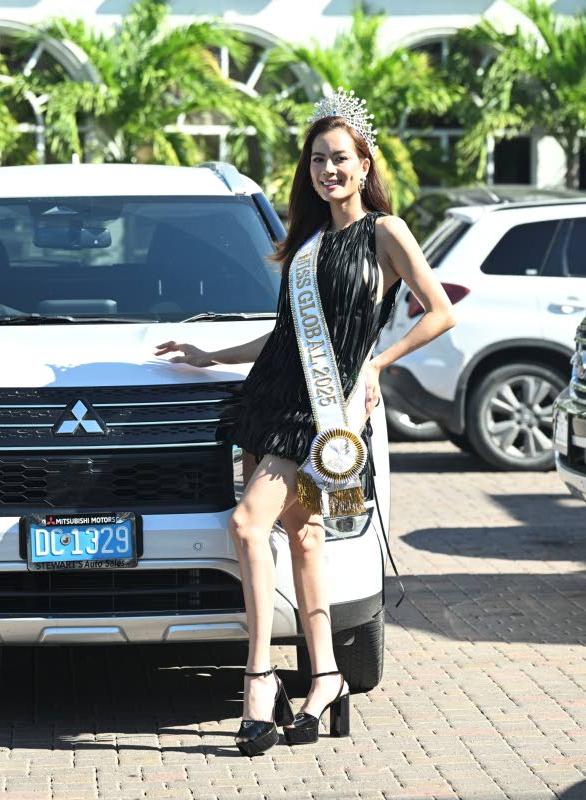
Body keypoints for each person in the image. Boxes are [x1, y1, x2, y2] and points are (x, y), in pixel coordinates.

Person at [154, 88, 455, 756]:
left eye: (341, 158)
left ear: (365, 163)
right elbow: (286, 336)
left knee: (255, 526)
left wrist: (379, 363)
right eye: (319, 160)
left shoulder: (386, 233)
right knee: (298, 537)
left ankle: (261, 678)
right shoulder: (308, 246)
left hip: (328, 415)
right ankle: (323, 679)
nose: (329, 170)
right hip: (275, 404)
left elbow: (440, 311)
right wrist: (212, 353)